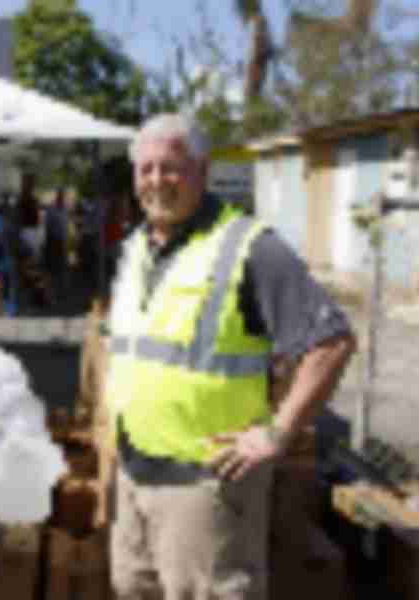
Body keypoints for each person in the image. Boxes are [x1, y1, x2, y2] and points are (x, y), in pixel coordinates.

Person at [105, 113, 356, 600]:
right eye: (146, 169)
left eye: (171, 168)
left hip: (206, 485)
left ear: (202, 170)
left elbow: (331, 341)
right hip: (135, 472)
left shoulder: (249, 247)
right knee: (133, 587)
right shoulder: (136, 247)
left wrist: (279, 432)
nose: (157, 180)